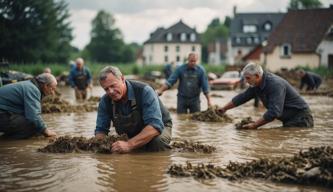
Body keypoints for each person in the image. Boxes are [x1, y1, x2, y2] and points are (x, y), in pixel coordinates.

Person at [95, 66, 172, 153]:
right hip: (131, 133)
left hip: (160, 126)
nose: (111, 91)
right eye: (106, 89)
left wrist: (129, 145)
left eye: (113, 85)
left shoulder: (145, 91)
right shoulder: (105, 101)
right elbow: (101, 130)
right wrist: (100, 144)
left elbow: (155, 126)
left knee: (157, 142)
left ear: (122, 79)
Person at [217, 62, 313, 129]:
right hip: (288, 120)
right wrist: (224, 109)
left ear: (257, 76)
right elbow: (242, 97)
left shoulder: (275, 85)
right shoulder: (256, 84)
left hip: (300, 119)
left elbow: (274, 112)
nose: (246, 81)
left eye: (248, 78)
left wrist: (255, 125)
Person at [0, 73, 57, 139]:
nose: (53, 92)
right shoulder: (32, 89)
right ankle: (6, 141)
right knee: (34, 126)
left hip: (4, 112)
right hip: (2, 113)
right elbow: (33, 116)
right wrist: (45, 130)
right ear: (45, 86)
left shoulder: (29, 85)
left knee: (37, 125)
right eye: (52, 89)